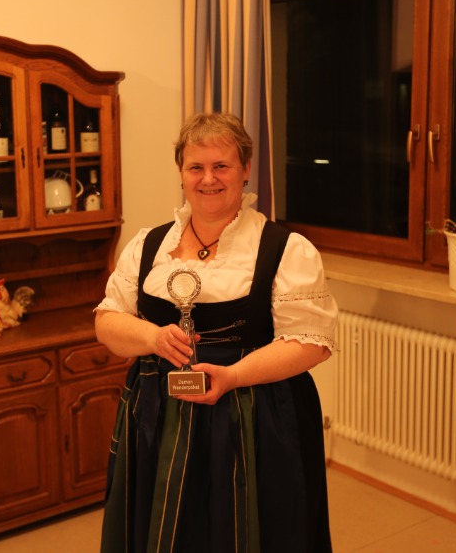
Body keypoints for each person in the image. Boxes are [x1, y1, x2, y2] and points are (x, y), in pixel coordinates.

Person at [94, 112, 338, 553]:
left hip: (255, 415)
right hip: (157, 414)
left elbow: (311, 344)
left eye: (221, 166)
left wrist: (233, 376)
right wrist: (153, 338)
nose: (208, 179)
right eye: (196, 167)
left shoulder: (285, 249)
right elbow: (107, 322)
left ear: (245, 169)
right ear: (181, 173)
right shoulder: (149, 245)